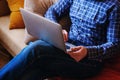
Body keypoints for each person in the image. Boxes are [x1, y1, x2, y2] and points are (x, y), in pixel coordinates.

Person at [0, 0, 120, 80]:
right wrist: (59, 29)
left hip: (89, 61)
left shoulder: (114, 6)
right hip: (66, 47)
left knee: (35, 48)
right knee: (36, 69)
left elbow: (114, 45)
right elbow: (53, 11)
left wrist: (87, 52)